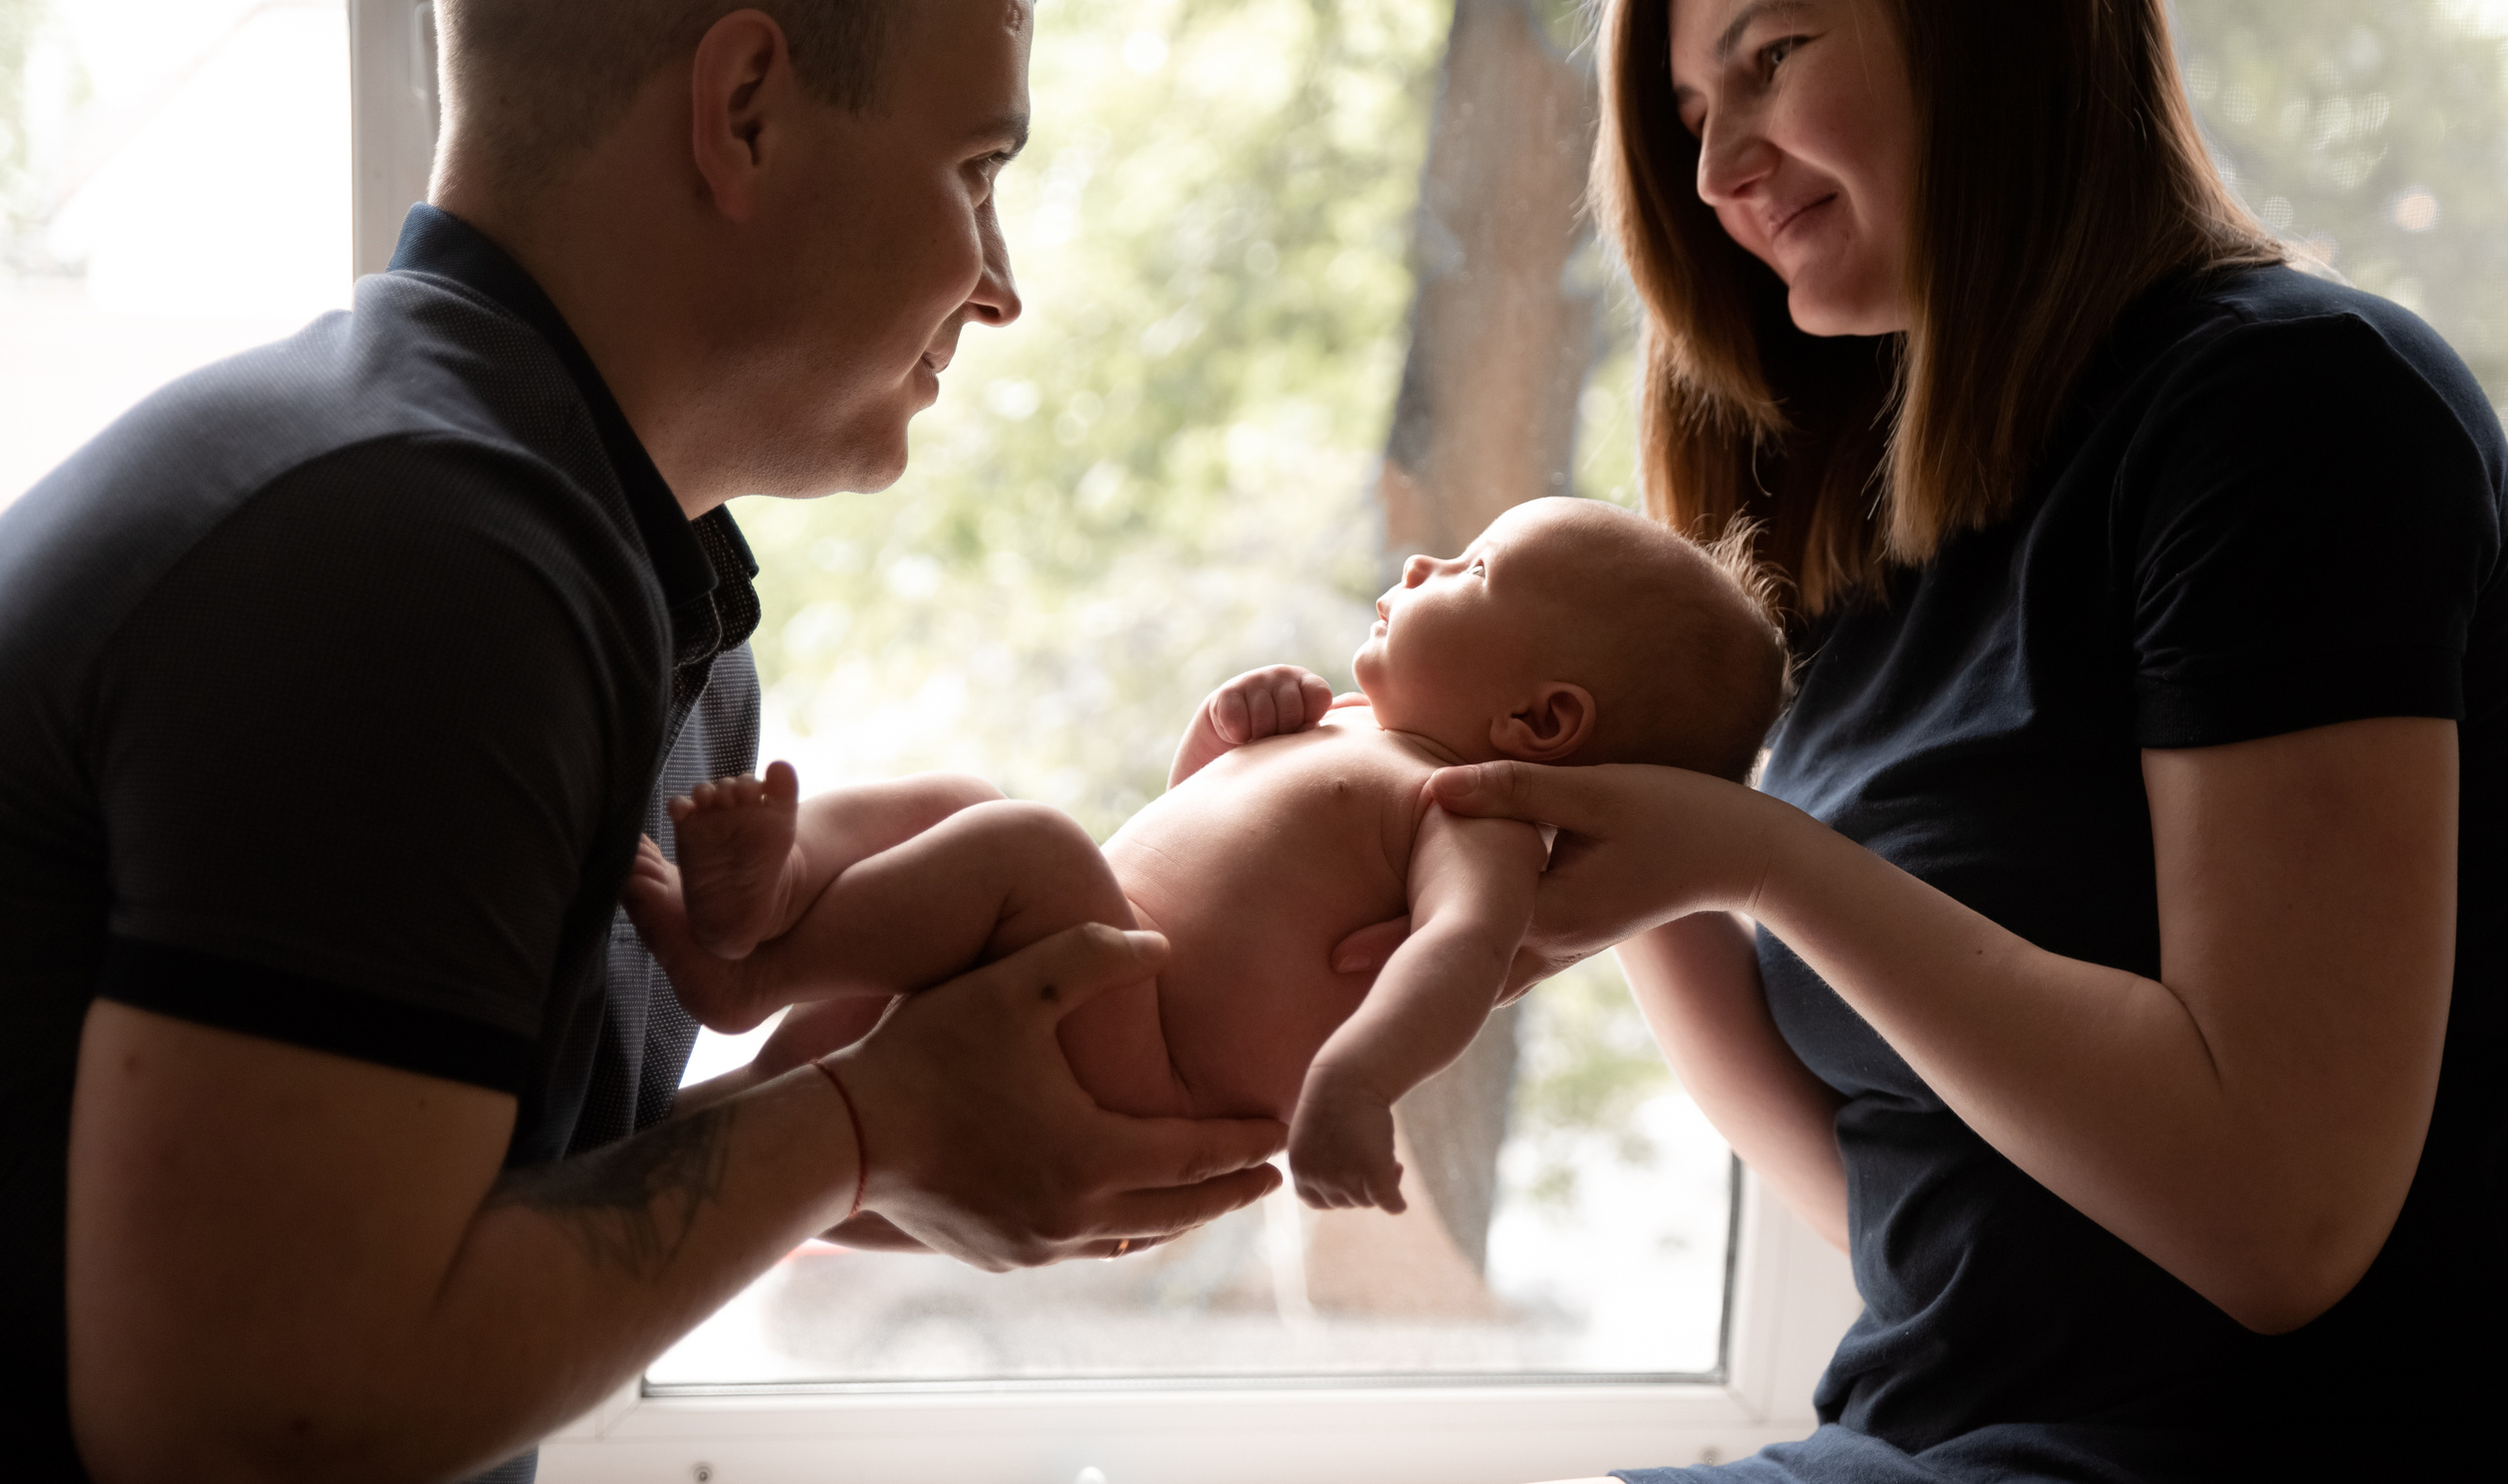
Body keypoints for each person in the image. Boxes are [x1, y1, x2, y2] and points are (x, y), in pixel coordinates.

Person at [0, 0, 1291, 1482]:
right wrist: (869, 1122)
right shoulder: (413, 564)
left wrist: (917, 1122)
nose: (1000, 280)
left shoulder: (607, 571)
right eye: (978, 169)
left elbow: (447, 1225)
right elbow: (252, 1414)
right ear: (744, 108)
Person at [1425, 0, 2508, 1479]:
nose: (1717, 169)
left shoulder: (2293, 416)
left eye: (1773, 56)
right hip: (1929, 1439)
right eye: (1693, 111)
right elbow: (1905, 1206)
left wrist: (1753, 852)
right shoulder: (1858, 509)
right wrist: (1604, 826)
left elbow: (2281, 1221)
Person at [625, 498, 1788, 1213]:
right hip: (1101, 968)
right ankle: (764, 930)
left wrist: (1357, 1085)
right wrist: (1223, 734)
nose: (1426, 566)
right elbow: (1190, 825)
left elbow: (1461, 954)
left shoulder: (1473, 816)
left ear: (1542, 724)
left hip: (1146, 1064)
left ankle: (752, 971)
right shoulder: (1347, 729)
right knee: (959, 800)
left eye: (1473, 570)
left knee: (1021, 837)